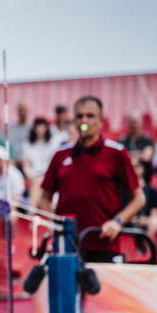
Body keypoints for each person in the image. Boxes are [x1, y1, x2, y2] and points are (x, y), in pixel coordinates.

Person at [38, 96, 145, 264]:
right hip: (67, 245)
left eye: (90, 116)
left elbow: (139, 198)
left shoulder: (116, 153)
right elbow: (44, 197)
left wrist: (117, 222)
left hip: (103, 244)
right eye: (79, 116)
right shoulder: (61, 154)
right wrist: (53, 224)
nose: (84, 120)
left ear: (101, 122)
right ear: (74, 121)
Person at [20, 117, 60, 210]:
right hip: (34, 176)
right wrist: (34, 176)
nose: (40, 129)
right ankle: (34, 208)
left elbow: (54, 163)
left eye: (42, 126)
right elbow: (26, 165)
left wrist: (45, 176)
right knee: (38, 181)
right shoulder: (27, 143)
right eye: (38, 126)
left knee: (39, 182)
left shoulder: (53, 142)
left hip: (48, 175)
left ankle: (32, 209)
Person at [119, 110, 155, 181]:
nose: (133, 125)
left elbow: (146, 157)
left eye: (135, 122)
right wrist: (140, 153)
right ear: (127, 123)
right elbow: (120, 158)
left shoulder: (148, 140)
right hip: (126, 179)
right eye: (131, 122)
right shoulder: (121, 141)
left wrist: (128, 154)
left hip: (145, 179)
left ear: (141, 123)